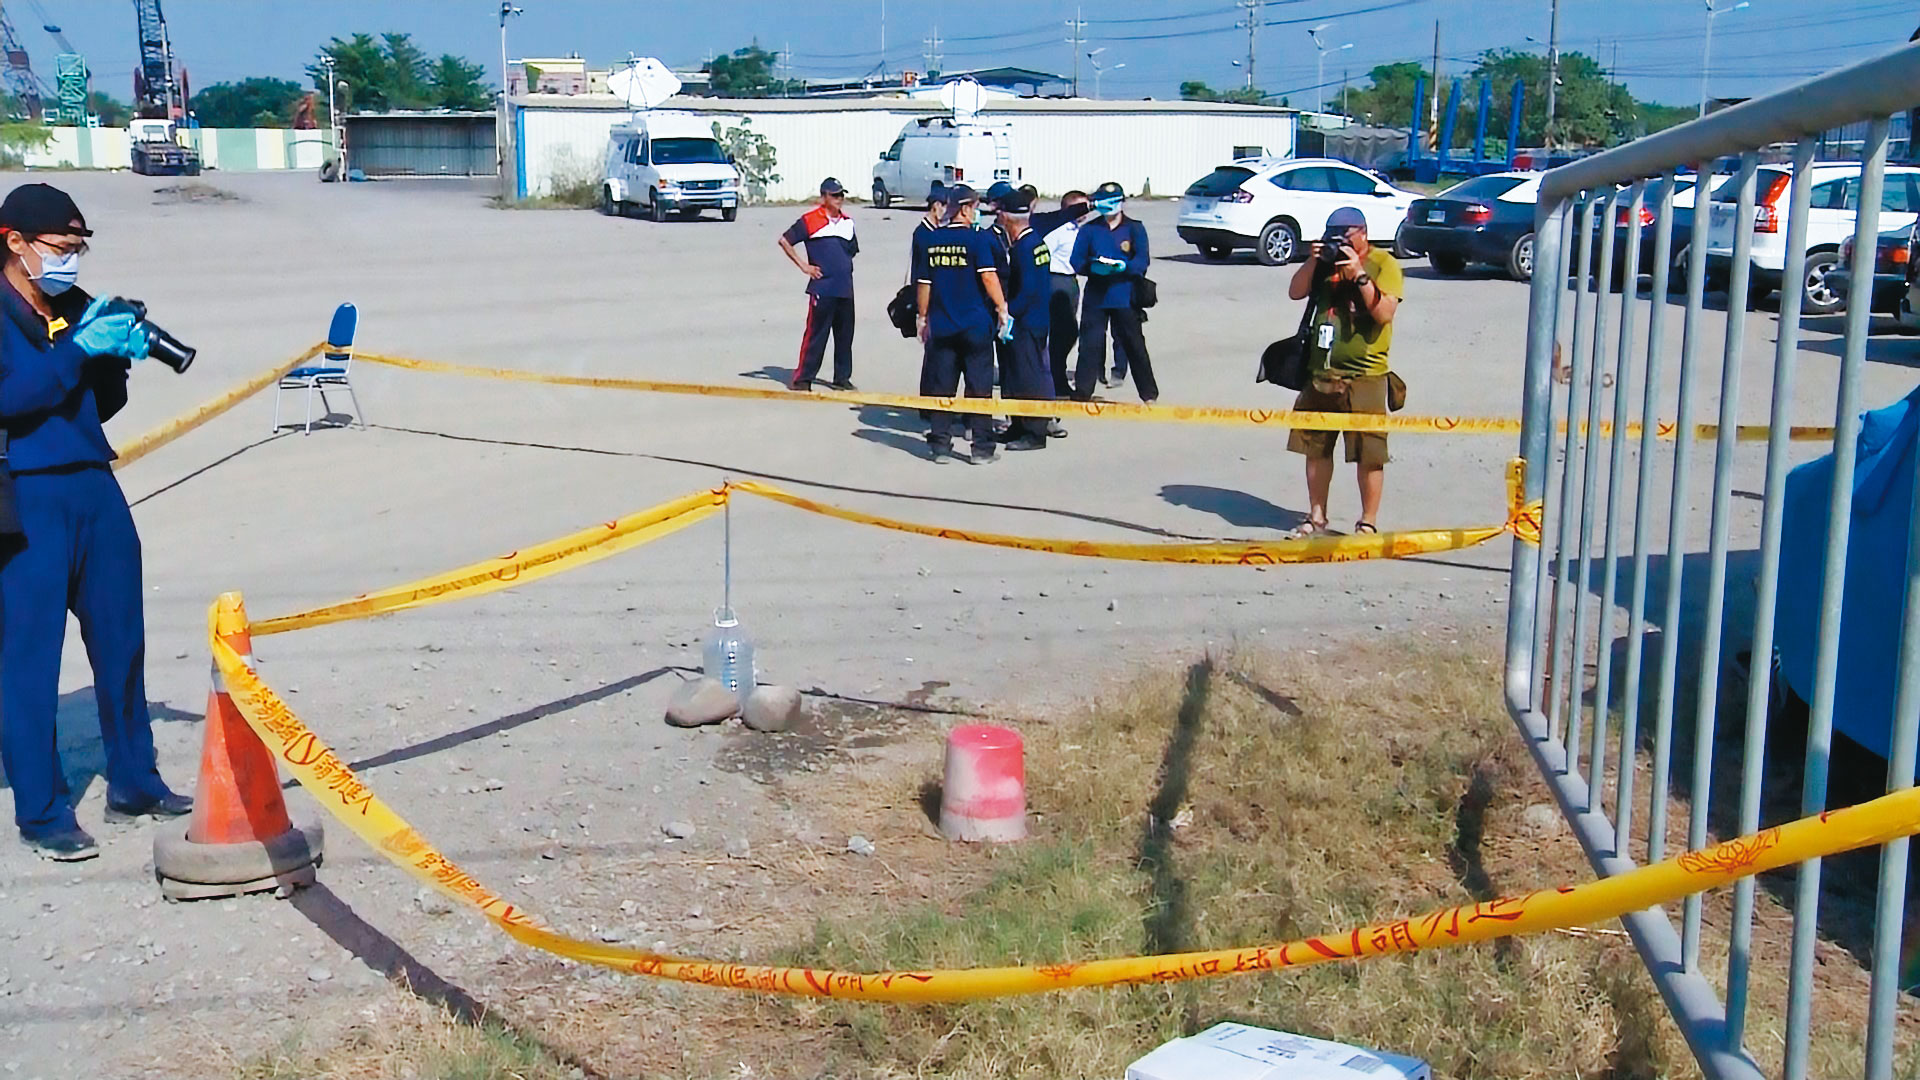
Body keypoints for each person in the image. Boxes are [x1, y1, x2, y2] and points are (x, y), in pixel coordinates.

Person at [0, 182, 191, 861]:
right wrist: (77, 352)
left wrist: (115, 361)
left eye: (80, 246)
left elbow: (93, 407)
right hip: (25, 497)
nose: (72, 258)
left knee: (121, 640)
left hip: (93, 486)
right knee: (28, 661)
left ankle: (134, 780)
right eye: (61, 245)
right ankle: (43, 810)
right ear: (14, 242)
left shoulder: (74, 307)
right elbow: (13, 400)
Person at [1284, 205, 1404, 537]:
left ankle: (1367, 521)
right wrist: (1313, 260)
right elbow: (1295, 291)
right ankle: (1316, 516)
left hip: (1365, 374)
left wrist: (1359, 275)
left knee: (1369, 453)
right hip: (1320, 369)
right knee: (1315, 448)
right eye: (1332, 235)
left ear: (1362, 233)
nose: (1338, 243)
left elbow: (1384, 314)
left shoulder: (1383, 264)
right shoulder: (1324, 264)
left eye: (1344, 236)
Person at [912, 184, 1011, 464]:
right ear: (966, 209)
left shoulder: (933, 240)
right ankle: (981, 448)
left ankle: (940, 446)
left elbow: (924, 284)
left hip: (942, 325)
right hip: (975, 326)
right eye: (976, 207)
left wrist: (922, 317)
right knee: (979, 389)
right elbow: (989, 278)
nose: (977, 213)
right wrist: (1002, 308)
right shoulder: (978, 241)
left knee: (942, 387)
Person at [1071, 181, 1157, 402]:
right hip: (1096, 296)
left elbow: (1142, 260)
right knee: (1090, 344)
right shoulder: (1090, 229)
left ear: (1121, 202)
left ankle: (1149, 394)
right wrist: (1093, 267)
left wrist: (1124, 267)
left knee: (1134, 344)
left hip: (1125, 295)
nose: (1106, 206)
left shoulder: (1135, 228)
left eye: (1111, 201)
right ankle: (1083, 392)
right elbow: (1076, 261)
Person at [777, 177, 859, 391]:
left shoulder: (848, 223)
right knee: (816, 334)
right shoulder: (810, 220)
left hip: (845, 287)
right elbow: (785, 240)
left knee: (844, 336)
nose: (839, 199)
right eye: (835, 195)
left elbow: (851, 251)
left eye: (842, 195)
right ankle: (803, 378)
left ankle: (842, 377)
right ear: (824, 197)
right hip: (823, 288)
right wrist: (804, 266)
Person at [995, 189, 1055, 451]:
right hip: (1037, 318)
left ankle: (1034, 432)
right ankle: (1017, 425)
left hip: (1027, 322)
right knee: (1017, 376)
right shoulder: (1036, 242)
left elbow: (1027, 290)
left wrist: (1007, 313)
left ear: (1007, 218)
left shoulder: (1024, 248)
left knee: (1029, 379)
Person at [1034, 190, 1093, 424]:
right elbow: (1042, 252)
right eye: (1080, 208)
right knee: (1063, 333)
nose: (1084, 212)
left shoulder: (1082, 230)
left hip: (1071, 280)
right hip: (1055, 280)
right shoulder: (1059, 230)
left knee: (1068, 333)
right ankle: (1055, 378)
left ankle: (1056, 374)